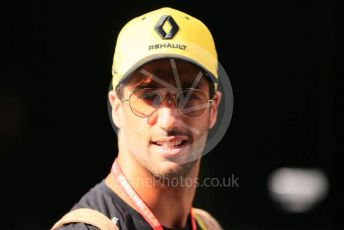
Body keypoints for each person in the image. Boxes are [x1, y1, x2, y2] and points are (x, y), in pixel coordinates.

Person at [52, 7, 224, 230]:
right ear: (116, 107)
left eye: (189, 95)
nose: (169, 120)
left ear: (213, 109)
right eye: (148, 96)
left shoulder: (207, 226)